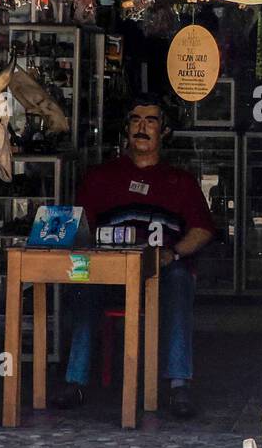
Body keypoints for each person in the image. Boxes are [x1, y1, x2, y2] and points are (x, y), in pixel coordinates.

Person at [53, 93, 215, 418]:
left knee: (182, 279)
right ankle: (75, 381)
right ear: (126, 129)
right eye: (136, 120)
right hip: (109, 271)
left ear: (163, 132)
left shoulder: (180, 181)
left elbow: (202, 229)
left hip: (160, 270)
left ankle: (179, 385)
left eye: (151, 121)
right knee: (82, 282)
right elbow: (79, 227)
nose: (142, 128)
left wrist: (174, 253)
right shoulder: (101, 177)